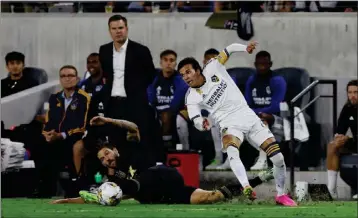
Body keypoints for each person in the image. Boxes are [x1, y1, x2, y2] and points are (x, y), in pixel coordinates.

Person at [50, 116, 274, 205]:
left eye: (107, 153)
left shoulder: (130, 149)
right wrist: (67, 201)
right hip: (161, 195)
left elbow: (134, 127)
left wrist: (108, 120)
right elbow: (117, 193)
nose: (107, 158)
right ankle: (257, 181)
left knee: (136, 182)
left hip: (161, 176)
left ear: (115, 150)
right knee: (210, 197)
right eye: (102, 158)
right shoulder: (112, 179)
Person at [177, 41, 296, 206]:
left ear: (198, 69)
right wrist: (201, 123)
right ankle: (246, 186)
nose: (186, 77)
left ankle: (281, 195)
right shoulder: (191, 97)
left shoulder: (213, 66)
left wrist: (245, 48)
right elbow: (195, 118)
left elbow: (230, 48)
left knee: (278, 158)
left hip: (248, 116)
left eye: (188, 72)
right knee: (232, 151)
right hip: (228, 124)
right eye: (182, 75)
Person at [98, 14, 164, 168]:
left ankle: (143, 178)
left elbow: (150, 74)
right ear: (109, 31)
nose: (117, 31)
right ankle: (119, 180)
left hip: (135, 103)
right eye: (114, 29)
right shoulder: (104, 50)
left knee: (140, 142)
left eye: (120, 28)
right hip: (113, 103)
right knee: (115, 142)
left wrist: (136, 89)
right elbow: (106, 75)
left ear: (126, 29)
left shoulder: (141, 50)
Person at [245, 50, 287, 170]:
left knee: (263, 120)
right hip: (257, 115)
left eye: (265, 64)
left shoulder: (277, 81)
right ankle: (229, 159)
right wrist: (256, 113)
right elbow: (247, 104)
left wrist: (259, 113)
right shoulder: (251, 80)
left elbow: (276, 106)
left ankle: (262, 159)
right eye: (259, 65)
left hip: (276, 117)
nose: (262, 67)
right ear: (255, 65)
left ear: (270, 64)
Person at [147, 49, 189, 149]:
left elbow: (177, 102)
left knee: (171, 117)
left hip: (176, 111)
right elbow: (150, 98)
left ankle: (183, 149)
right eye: (165, 60)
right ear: (161, 63)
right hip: (156, 111)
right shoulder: (154, 77)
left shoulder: (180, 79)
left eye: (171, 60)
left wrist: (167, 111)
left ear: (175, 63)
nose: (168, 63)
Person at [326, 80, 357, 199]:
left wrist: (347, 138)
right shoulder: (347, 107)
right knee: (332, 145)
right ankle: (331, 191)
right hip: (355, 142)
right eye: (350, 92)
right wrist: (340, 138)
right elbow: (339, 131)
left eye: (355, 92)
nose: (352, 95)